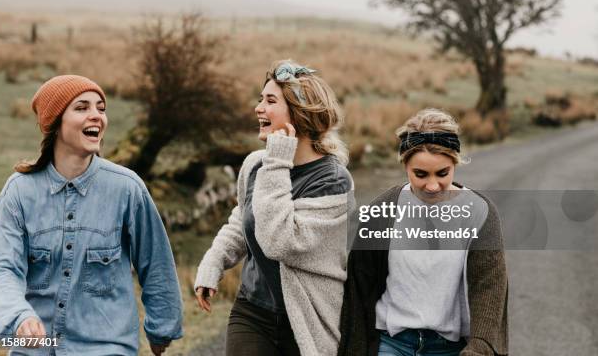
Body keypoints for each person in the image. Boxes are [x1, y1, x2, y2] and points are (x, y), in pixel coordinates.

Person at [0, 75, 183, 355]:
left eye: (101, 108)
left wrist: (162, 327)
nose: (97, 116)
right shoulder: (18, 192)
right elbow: (1, 268)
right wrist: (18, 317)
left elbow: (157, 264)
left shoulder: (127, 189)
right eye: (82, 108)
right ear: (55, 123)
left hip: (107, 348)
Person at [194, 60, 354, 356]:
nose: (258, 109)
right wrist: (213, 264)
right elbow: (242, 220)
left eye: (270, 101)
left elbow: (279, 242)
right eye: (260, 99)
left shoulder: (332, 180)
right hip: (253, 312)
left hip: (308, 319)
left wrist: (279, 162)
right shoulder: (257, 164)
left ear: (300, 113)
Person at [338, 108, 508, 356]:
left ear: (455, 163)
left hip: (451, 349)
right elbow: (359, 288)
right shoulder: (383, 210)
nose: (432, 185)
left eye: (442, 173)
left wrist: (479, 347)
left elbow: (489, 288)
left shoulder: (480, 212)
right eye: (420, 174)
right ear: (405, 164)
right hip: (392, 343)